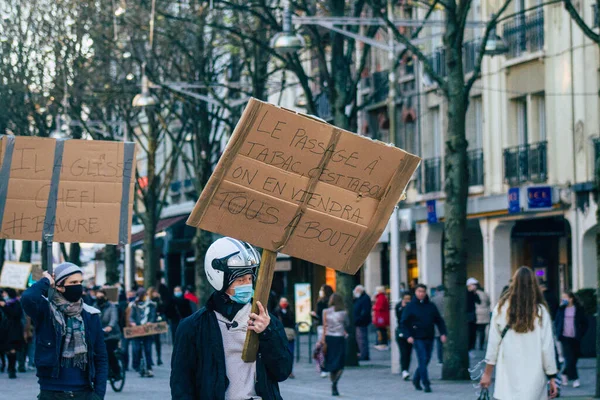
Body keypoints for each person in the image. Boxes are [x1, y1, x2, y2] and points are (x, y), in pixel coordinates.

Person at [170, 237, 292, 399]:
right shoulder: (193, 327)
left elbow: (282, 371)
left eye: (249, 279)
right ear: (219, 278)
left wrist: (268, 333)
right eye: (240, 280)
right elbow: (181, 385)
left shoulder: (267, 321)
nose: (246, 285)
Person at [21, 263, 108, 399]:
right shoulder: (46, 311)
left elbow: (101, 357)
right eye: (73, 282)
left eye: (80, 282)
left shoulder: (90, 315)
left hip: (84, 392)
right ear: (59, 286)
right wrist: (46, 281)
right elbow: (28, 297)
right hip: (52, 392)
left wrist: (98, 395)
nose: (78, 286)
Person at [480, 267, 558, 400]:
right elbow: (547, 347)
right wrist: (552, 376)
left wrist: (487, 374)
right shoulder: (540, 312)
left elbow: (493, 345)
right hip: (535, 377)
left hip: (507, 378)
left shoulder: (501, 309)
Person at [401, 283, 447, 393]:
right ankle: (426, 383)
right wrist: (408, 336)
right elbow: (403, 322)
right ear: (415, 293)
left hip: (429, 336)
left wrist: (443, 333)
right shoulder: (410, 306)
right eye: (419, 291)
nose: (421, 294)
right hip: (417, 337)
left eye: (423, 291)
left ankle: (416, 378)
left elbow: (439, 320)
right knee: (422, 358)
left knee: (426, 359)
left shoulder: (431, 306)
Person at [555, 291, 588, 388]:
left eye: (565, 297)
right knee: (569, 358)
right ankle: (575, 379)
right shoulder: (561, 309)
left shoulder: (578, 309)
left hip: (575, 337)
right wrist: (558, 332)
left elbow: (585, 323)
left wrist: (581, 333)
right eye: (562, 297)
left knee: (574, 358)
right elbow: (557, 321)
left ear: (571, 299)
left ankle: (564, 374)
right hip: (565, 337)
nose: (563, 299)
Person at [320, 293, 349, 396]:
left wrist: (323, 340)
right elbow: (347, 324)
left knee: (331, 362)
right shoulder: (344, 313)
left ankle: (333, 383)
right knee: (340, 363)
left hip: (329, 338)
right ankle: (335, 383)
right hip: (339, 338)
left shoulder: (325, 312)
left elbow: (324, 326)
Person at [94, 289, 121, 380]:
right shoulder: (95, 306)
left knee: (109, 351)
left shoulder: (112, 307)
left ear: (105, 297)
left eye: (101, 297)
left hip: (112, 335)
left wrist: (110, 326)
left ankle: (117, 372)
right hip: (100, 334)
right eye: (97, 297)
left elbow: (114, 318)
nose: (99, 299)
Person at [129, 287, 157, 377]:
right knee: (136, 349)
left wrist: (150, 322)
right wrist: (132, 322)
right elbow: (131, 316)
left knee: (148, 349)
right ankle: (138, 366)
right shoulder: (134, 305)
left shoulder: (151, 305)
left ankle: (149, 367)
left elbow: (153, 315)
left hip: (147, 330)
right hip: (137, 330)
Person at [0, 287, 25, 379]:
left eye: (5, 293)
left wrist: (5, 306)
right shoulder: (6, 303)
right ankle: (10, 368)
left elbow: (15, 315)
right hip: (5, 330)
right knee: (7, 350)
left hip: (13, 330)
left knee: (12, 349)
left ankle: (12, 369)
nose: (3, 295)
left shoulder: (15, 303)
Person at [311, 284, 334, 378]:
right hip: (331, 326)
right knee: (329, 347)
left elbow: (319, 316)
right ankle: (328, 366)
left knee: (321, 347)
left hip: (322, 326)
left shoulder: (321, 302)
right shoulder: (332, 302)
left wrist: (313, 315)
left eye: (321, 290)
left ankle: (322, 367)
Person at [274, 297, 296, 379]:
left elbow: (293, 322)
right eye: (282, 302)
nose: (284, 303)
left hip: (290, 335)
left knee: (290, 353)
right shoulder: (276, 312)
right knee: (281, 353)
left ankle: (290, 370)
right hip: (280, 335)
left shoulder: (290, 312)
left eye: (285, 302)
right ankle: (282, 370)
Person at [395, 292, 414, 380]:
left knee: (408, 352)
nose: (407, 301)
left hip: (410, 332)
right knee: (403, 352)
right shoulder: (399, 306)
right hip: (401, 332)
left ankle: (406, 368)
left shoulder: (413, 306)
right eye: (405, 299)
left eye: (408, 299)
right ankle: (404, 370)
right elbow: (399, 318)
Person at [353, 285, 371, 361]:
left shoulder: (364, 298)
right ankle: (362, 354)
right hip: (359, 321)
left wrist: (358, 319)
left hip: (361, 322)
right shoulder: (360, 298)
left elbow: (365, 311)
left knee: (362, 339)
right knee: (360, 339)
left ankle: (364, 355)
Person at [147, 287, 164, 366]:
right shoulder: (149, 302)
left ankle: (159, 358)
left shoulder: (159, 301)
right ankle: (150, 359)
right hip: (150, 322)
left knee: (157, 341)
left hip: (157, 322)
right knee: (149, 341)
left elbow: (162, 310)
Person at [430, 285, 445, 365]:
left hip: (437, 322)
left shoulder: (434, 299)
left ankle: (440, 359)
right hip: (447, 320)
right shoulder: (448, 298)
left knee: (439, 342)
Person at [474, 281, 491, 351]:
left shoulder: (475, 294)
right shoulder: (485, 294)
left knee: (476, 330)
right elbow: (489, 302)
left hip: (477, 313)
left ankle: (475, 345)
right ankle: (481, 345)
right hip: (485, 313)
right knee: (482, 330)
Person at [372, 286, 390, 350]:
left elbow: (379, 307)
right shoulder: (382, 297)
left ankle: (382, 344)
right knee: (381, 330)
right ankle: (382, 343)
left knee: (381, 331)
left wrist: (374, 307)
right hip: (381, 316)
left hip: (381, 317)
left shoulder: (381, 297)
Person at [466, 277, 480, 355]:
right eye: (473, 285)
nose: (475, 286)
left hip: (472, 316)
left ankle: (471, 348)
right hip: (468, 316)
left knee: (473, 333)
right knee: (469, 333)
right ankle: (468, 348)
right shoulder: (466, 293)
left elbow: (479, 301)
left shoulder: (474, 294)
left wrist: (474, 293)